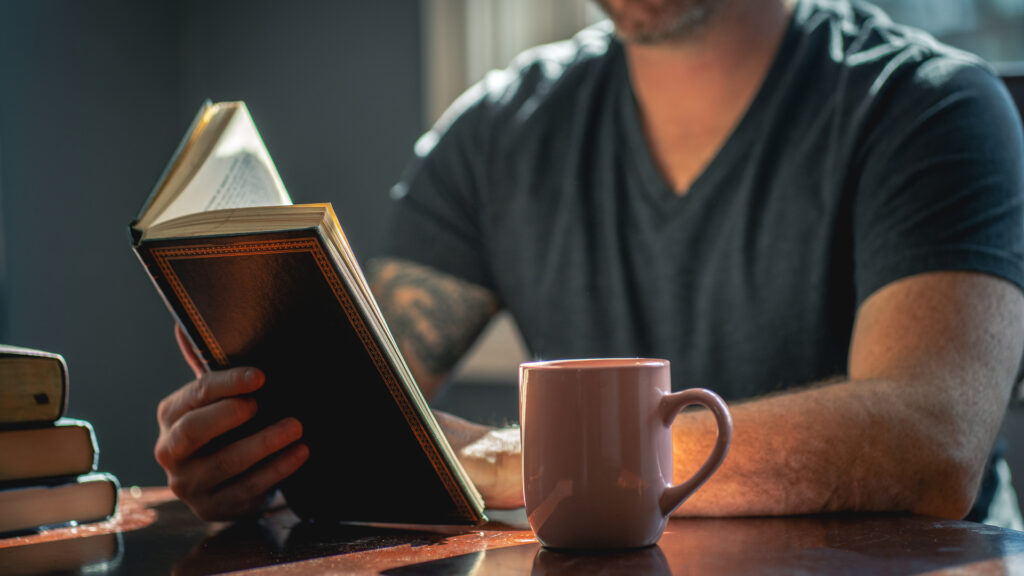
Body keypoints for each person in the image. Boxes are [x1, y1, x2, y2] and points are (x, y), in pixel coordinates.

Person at [155, 0, 1024, 524]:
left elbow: (933, 443)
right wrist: (266, 455)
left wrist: (520, 458)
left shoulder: (931, 108)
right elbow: (377, 396)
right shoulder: (495, 134)